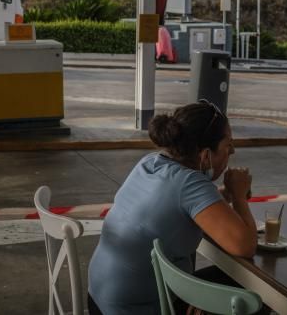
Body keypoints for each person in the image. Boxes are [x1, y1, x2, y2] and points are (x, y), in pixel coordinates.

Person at [87, 100, 257, 315]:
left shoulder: (150, 163)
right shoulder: (191, 184)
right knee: (254, 294)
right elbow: (245, 246)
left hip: (100, 301)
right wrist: (240, 196)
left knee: (231, 280)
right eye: (228, 144)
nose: (232, 151)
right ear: (205, 155)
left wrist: (225, 194)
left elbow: (178, 208)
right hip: (135, 309)